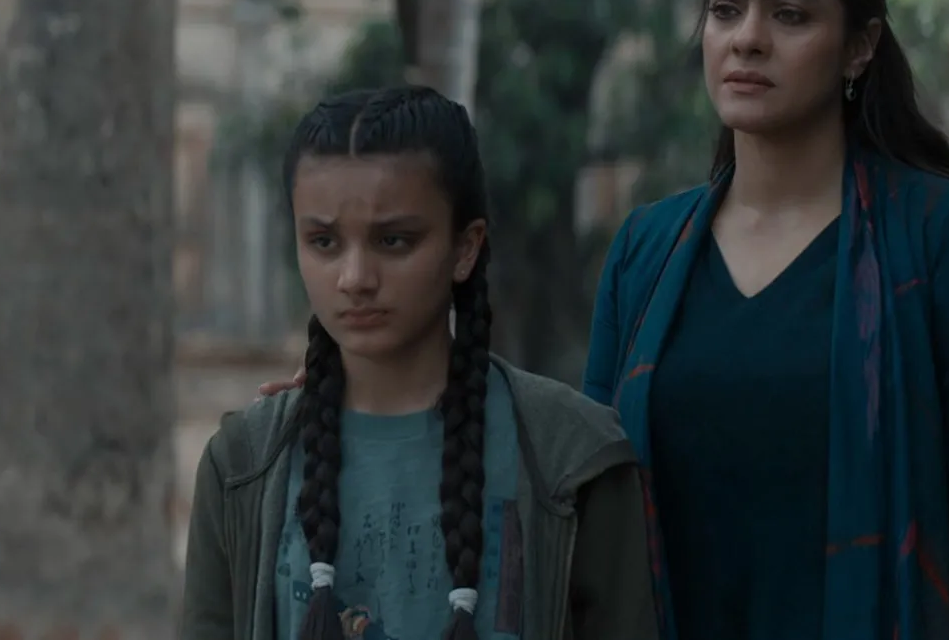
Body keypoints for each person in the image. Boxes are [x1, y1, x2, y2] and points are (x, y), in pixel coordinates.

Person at [260, 0, 949, 640]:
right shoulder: (649, 248)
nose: (748, 38)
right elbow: (576, 475)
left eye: (790, 14)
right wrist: (380, 380)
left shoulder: (943, 241)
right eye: (726, 9)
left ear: (860, 45)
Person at [184, 86, 659, 640]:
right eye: (324, 241)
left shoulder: (573, 458)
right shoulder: (243, 464)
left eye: (393, 240)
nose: (355, 278)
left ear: (465, 247)